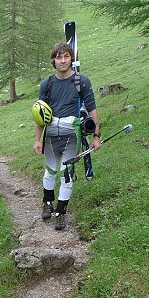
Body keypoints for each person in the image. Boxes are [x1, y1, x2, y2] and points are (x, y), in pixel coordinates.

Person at [34, 42, 101, 230]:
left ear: (71, 59)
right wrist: (37, 139)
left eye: (66, 57)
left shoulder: (82, 81)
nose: (63, 61)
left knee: (66, 174)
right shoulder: (47, 85)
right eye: (59, 57)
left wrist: (96, 136)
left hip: (72, 133)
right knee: (49, 171)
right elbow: (40, 113)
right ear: (53, 61)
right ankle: (47, 203)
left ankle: (61, 213)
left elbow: (93, 110)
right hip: (50, 134)